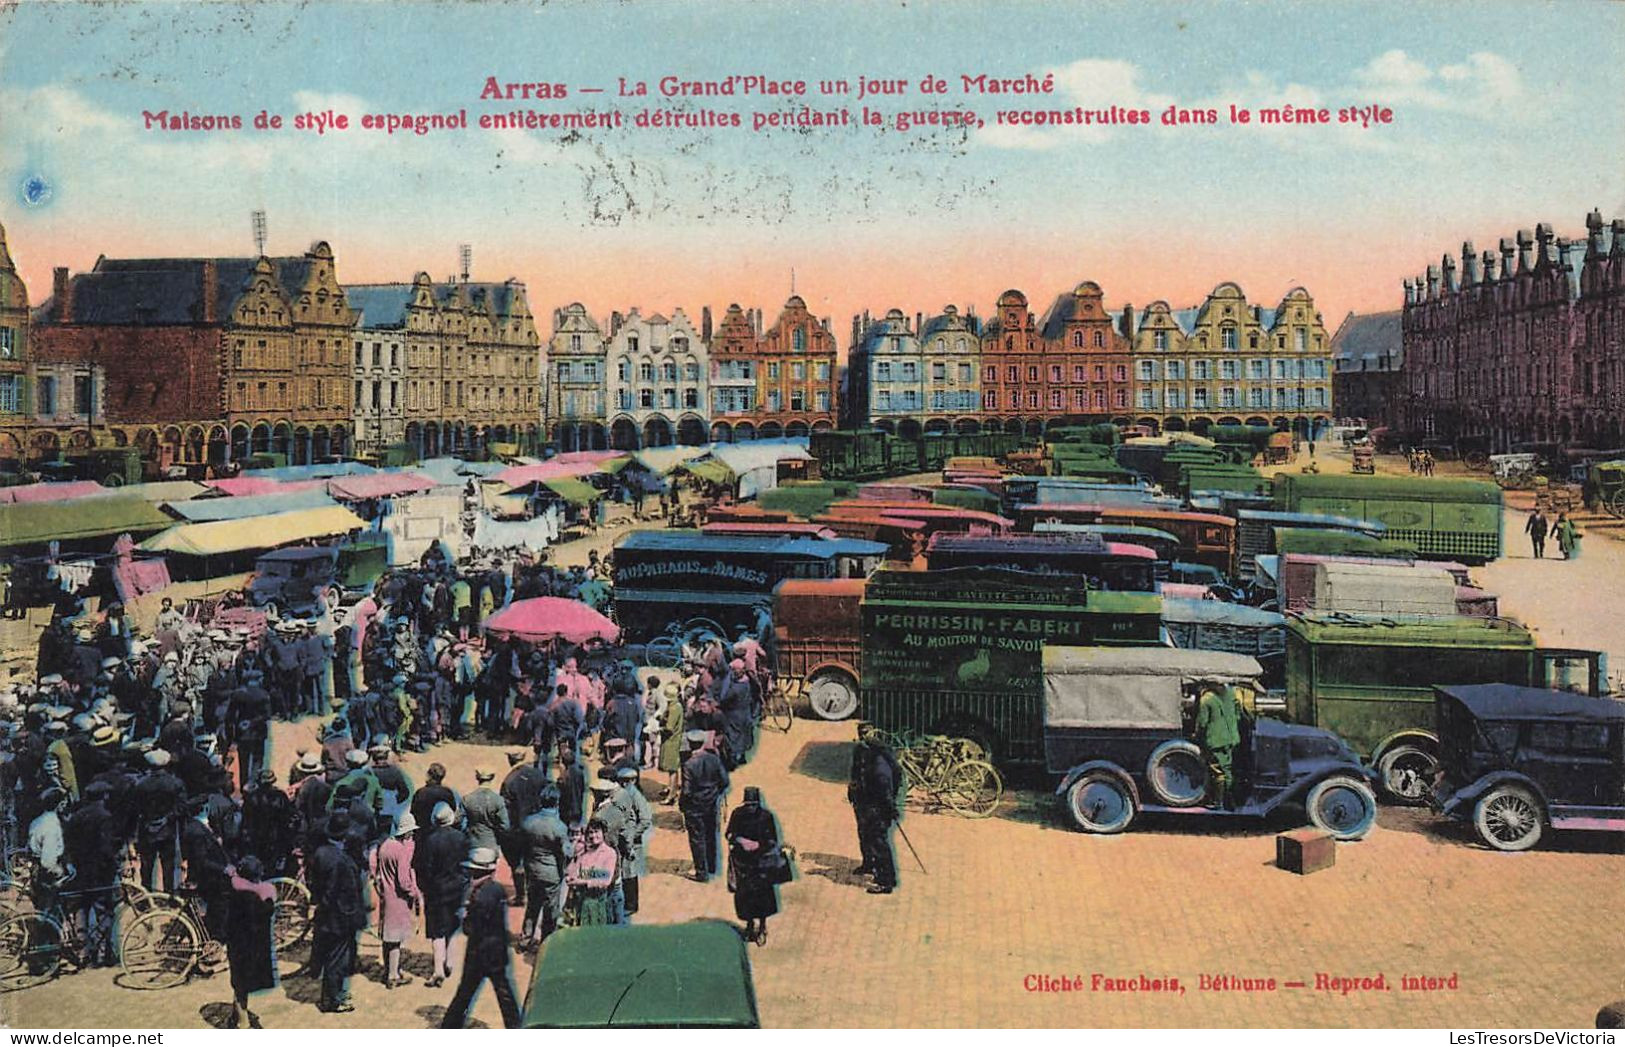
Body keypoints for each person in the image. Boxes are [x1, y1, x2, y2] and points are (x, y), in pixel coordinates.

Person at [439, 847, 521, 1029]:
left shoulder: (478, 895)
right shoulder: (497, 889)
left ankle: (449, 1027)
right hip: (496, 952)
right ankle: (515, 1027)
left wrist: (464, 915)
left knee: (465, 994)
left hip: (478, 953)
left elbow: (470, 928)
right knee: (504, 993)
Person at [416, 802, 469, 988]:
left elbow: (424, 868)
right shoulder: (461, 838)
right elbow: (465, 865)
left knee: (436, 931)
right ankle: (450, 962)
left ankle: (438, 969)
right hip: (456, 889)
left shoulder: (429, 840)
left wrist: (425, 887)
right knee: (453, 927)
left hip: (436, 891)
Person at [726, 786, 787, 945]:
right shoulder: (737, 814)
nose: (750, 808)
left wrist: (758, 845)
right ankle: (749, 925)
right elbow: (730, 834)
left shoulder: (766, 817)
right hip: (743, 864)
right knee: (745, 898)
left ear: (758, 804)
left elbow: (773, 840)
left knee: (762, 899)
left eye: (753, 805)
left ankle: (762, 927)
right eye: (748, 805)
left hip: (761, 864)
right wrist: (741, 841)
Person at [223, 856, 277, 1029]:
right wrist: (269, 897)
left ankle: (236, 1016)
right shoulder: (254, 898)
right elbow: (267, 910)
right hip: (249, 949)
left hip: (237, 946)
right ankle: (242, 1023)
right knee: (242, 985)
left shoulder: (234, 891)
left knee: (239, 983)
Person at [848, 726, 901, 894]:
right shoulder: (863, 752)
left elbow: (885, 789)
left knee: (879, 842)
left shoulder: (880, 763)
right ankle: (869, 864)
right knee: (864, 834)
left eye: (865, 736)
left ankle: (886, 881)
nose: (861, 739)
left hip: (877, 808)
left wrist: (890, 808)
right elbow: (856, 773)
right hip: (863, 803)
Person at [372, 811, 421, 989]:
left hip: (386, 895)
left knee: (387, 937)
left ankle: (388, 970)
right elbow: (403, 880)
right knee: (395, 939)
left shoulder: (385, 846)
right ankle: (393, 974)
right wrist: (413, 893)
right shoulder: (401, 851)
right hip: (398, 899)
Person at [517, 789, 570, 950]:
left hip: (532, 870)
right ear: (557, 803)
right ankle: (546, 943)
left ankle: (525, 939)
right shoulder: (559, 827)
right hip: (551, 873)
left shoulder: (528, 822)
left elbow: (522, 847)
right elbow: (565, 852)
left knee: (532, 905)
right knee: (550, 910)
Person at [679, 729, 729, 882]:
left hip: (694, 807)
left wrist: (682, 804)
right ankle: (712, 866)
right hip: (711, 803)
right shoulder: (713, 759)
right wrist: (714, 793)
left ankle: (701, 872)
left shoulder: (688, 764)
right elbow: (724, 781)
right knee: (711, 835)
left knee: (697, 838)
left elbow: (686, 791)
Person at [1194, 680, 1243, 809]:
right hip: (1231, 738)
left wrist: (1196, 735)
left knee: (1218, 771)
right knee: (1227, 768)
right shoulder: (1232, 694)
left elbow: (1202, 723)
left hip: (1215, 740)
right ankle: (1231, 801)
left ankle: (1218, 802)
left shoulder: (1206, 699)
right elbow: (1238, 714)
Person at [564, 818, 619, 926]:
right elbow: (571, 872)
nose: (593, 836)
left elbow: (605, 880)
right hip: (581, 902)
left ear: (603, 833)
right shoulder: (585, 852)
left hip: (598, 903)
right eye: (590, 832)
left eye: (596, 832)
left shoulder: (609, 853)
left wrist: (582, 880)